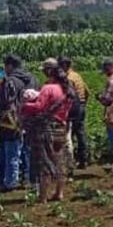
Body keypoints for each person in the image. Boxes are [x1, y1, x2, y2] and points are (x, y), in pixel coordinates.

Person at [23, 59, 75, 203]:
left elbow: (39, 107)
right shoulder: (67, 89)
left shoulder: (48, 88)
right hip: (61, 126)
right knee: (59, 160)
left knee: (44, 161)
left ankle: (43, 196)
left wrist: (24, 105)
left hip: (46, 128)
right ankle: (59, 193)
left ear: (49, 72)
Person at [0, 54, 39, 191]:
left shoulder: (9, 81)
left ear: (10, 66)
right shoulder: (33, 79)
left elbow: (2, 103)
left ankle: (10, 181)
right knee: (28, 150)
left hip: (12, 120)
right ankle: (27, 178)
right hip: (30, 119)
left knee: (11, 151)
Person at [59, 56, 90, 169]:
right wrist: (83, 103)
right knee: (80, 133)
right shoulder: (77, 75)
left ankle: (70, 161)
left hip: (73, 108)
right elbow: (87, 91)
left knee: (69, 135)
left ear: (64, 66)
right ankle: (83, 159)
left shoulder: (68, 79)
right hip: (81, 106)